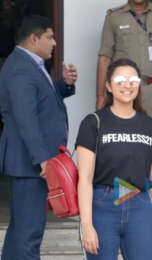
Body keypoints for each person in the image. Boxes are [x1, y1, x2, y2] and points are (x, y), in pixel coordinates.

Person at [77, 58, 152, 259]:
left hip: (140, 205)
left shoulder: (150, 126)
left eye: (133, 80)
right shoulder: (93, 123)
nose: (127, 85)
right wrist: (86, 226)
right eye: (120, 79)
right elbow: (84, 179)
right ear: (108, 86)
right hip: (102, 205)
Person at [0, 15, 77, 259]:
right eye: (49, 37)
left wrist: (63, 85)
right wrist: (43, 160)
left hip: (31, 163)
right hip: (29, 164)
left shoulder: (30, 64)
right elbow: (26, 119)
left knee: (21, 230)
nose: (54, 43)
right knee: (29, 234)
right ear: (34, 38)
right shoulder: (21, 68)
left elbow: (43, 101)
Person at [96, 0, 152, 189]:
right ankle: (126, 200)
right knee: (123, 144)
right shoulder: (114, 16)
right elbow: (105, 57)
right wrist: (100, 96)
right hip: (123, 89)